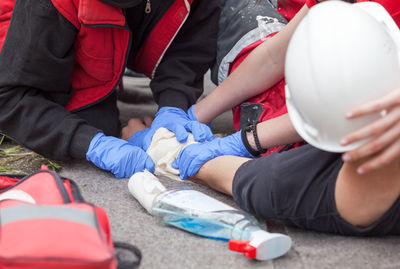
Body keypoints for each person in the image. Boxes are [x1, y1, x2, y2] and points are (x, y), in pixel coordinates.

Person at [168, 0, 400, 236]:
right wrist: (197, 114)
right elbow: (275, 56)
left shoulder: (358, 186)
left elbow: (254, 179)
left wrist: (176, 152)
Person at [0, 0, 219, 178]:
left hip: (98, 33)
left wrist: (174, 105)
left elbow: (188, 46)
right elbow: (10, 98)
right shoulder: (45, 8)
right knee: (97, 123)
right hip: (25, 36)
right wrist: (92, 142)